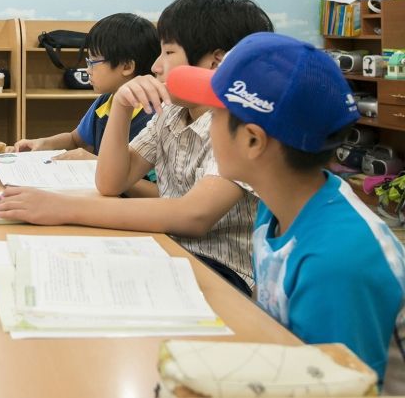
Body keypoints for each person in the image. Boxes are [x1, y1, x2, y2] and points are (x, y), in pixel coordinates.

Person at [0, 0, 274, 294]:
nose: (155, 66)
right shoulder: (172, 112)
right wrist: (121, 106)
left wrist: (65, 208)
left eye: (168, 52)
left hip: (221, 271)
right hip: (166, 248)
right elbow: (112, 182)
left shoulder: (236, 123)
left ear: (216, 63)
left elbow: (194, 215)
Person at [166, 32, 405, 381]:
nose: (208, 123)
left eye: (215, 113)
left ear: (252, 140)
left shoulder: (336, 264)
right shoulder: (277, 206)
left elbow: (339, 386)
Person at [10, 13, 158, 156]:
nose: (88, 70)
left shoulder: (153, 116)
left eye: (93, 62)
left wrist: (92, 162)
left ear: (126, 67)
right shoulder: (105, 101)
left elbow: (145, 179)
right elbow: (75, 139)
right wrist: (42, 143)